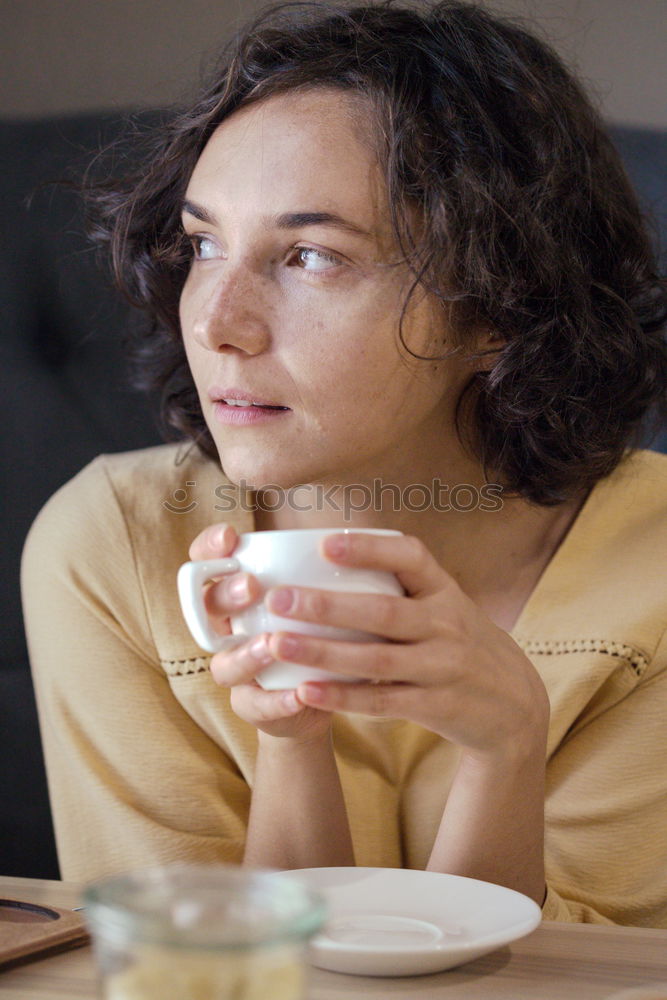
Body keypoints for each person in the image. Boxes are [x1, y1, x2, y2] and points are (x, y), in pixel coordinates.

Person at [21, 0, 667, 927]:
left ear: (498, 308)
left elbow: (596, 985)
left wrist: (507, 749)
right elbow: (187, 975)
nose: (214, 322)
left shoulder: (647, 566)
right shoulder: (112, 545)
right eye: (204, 243)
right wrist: (293, 748)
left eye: (312, 256)